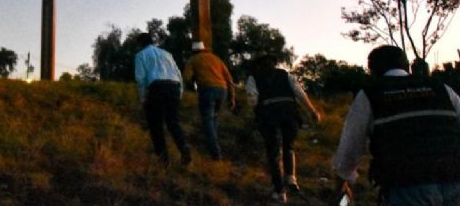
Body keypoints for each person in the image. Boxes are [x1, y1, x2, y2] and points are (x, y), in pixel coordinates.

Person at [332, 45, 460, 206]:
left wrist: (341, 183)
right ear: (407, 66)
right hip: (454, 178)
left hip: (406, 185)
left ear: (373, 71)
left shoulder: (370, 94)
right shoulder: (442, 89)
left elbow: (351, 145)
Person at [246, 54, 322, 204]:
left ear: (258, 65)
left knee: (273, 152)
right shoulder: (285, 75)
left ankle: (279, 191)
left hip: (268, 114)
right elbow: (300, 93)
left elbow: (252, 99)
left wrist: (257, 109)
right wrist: (313, 111)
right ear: (274, 63)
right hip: (290, 113)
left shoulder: (253, 78)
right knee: (289, 146)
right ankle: (291, 178)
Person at [134, 32, 192, 166]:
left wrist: (143, 99)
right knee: (173, 121)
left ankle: (163, 159)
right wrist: (180, 93)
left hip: (157, 88)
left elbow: (141, 79)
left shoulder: (141, 55)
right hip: (174, 87)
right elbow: (178, 73)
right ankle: (183, 147)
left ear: (140, 44)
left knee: (155, 124)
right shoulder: (167, 54)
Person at [182, 41, 235, 160]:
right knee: (213, 120)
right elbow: (229, 78)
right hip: (222, 90)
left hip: (207, 90)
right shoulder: (216, 59)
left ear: (193, 51)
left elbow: (186, 77)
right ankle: (212, 147)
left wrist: (193, 86)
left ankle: (215, 154)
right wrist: (232, 98)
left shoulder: (193, 59)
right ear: (204, 49)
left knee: (207, 122)